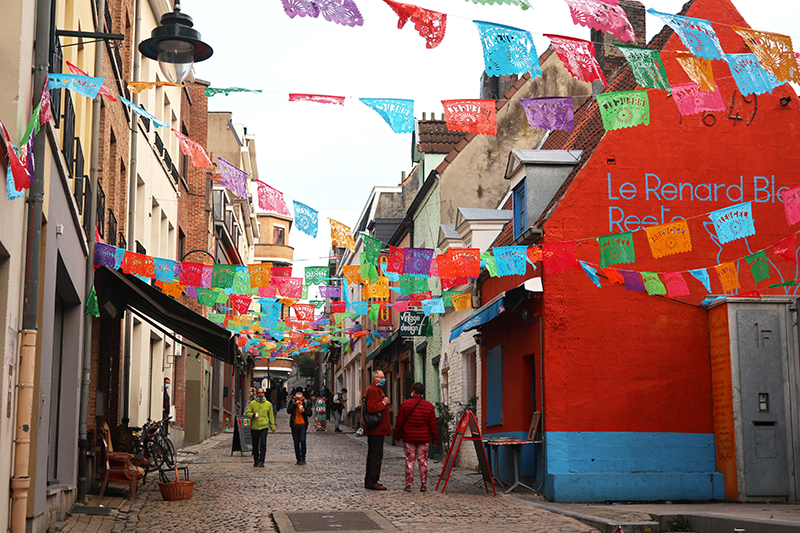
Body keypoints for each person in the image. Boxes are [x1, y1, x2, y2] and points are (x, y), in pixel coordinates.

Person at [394, 382, 439, 492]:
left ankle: (408, 484)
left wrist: (397, 435)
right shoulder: (429, 406)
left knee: (409, 461)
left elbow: (399, 422)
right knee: (423, 461)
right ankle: (423, 484)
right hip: (423, 438)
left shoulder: (405, 405)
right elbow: (433, 425)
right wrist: (435, 439)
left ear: (413, 391)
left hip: (409, 437)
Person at [364, 370, 391, 490]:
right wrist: (383, 403)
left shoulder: (375, 389)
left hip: (377, 429)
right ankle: (372, 481)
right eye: (381, 377)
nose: (383, 379)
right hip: (376, 428)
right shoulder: (374, 390)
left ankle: (371, 480)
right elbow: (371, 408)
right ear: (375, 378)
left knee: (374, 454)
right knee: (375, 455)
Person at [244, 388, 275, 467]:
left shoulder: (268, 404)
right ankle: (256, 459)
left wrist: (272, 426)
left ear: (264, 394)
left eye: (262, 393)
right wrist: (252, 415)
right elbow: (247, 413)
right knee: (255, 444)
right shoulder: (252, 403)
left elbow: (271, 416)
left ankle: (262, 461)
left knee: (263, 444)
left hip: (264, 426)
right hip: (254, 427)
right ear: (256, 394)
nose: (260, 394)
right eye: (259, 393)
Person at [287, 386, 312, 465]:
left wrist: (304, 411)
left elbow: (310, 413)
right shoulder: (292, 401)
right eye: (298, 393)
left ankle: (303, 456)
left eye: (300, 393)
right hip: (294, 424)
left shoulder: (306, 402)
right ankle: (298, 458)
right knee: (296, 442)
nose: (299, 394)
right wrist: (294, 405)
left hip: (303, 424)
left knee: (303, 440)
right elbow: (288, 411)